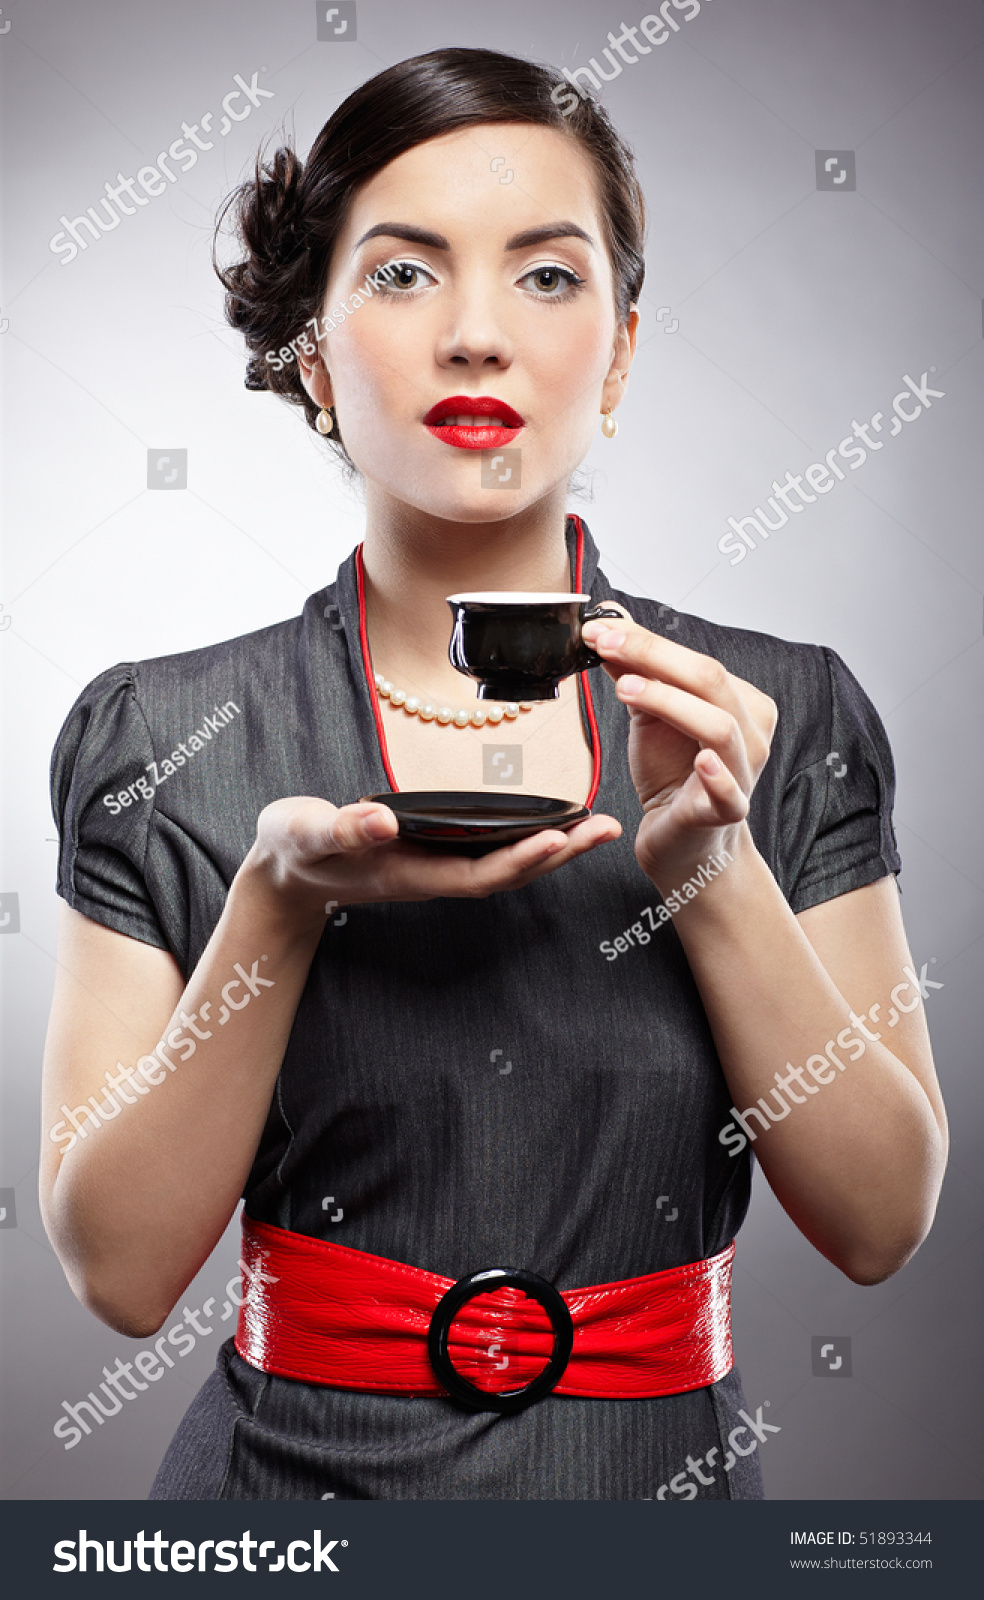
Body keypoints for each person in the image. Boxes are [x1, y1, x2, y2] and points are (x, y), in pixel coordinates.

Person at [40, 47, 947, 1502]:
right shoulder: (162, 737)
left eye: (545, 276)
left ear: (626, 351)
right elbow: (122, 1277)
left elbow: (883, 1221)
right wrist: (274, 907)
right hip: (281, 1508)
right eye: (403, 276)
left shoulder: (778, 714)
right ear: (314, 358)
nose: (476, 336)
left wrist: (710, 869)